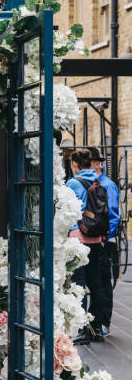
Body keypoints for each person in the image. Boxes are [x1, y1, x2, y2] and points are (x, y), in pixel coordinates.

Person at [66, 148, 105, 345]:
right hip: (96, 239)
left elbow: (66, 210)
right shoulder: (97, 181)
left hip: (78, 238)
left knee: (79, 285)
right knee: (95, 283)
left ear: (74, 164)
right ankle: (97, 325)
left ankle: (81, 328)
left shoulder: (73, 183)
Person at [89, 147, 120, 337]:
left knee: (103, 281)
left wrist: (103, 239)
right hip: (94, 239)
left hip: (104, 241)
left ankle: (104, 322)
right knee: (95, 281)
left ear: (96, 163)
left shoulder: (107, 185)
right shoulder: (91, 183)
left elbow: (114, 216)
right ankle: (94, 320)